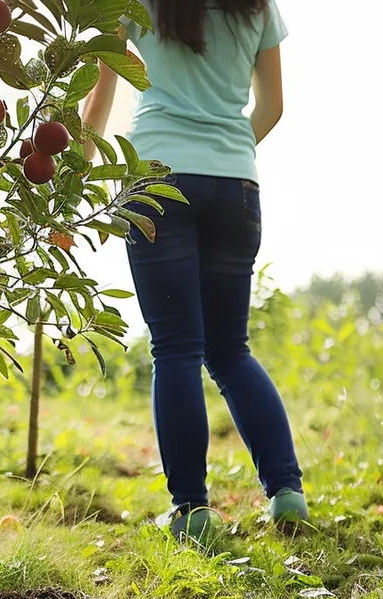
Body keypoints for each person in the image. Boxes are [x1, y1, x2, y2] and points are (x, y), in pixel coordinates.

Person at [81, 0, 308, 539]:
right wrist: (222, 154)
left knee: (177, 348)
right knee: (230, 350)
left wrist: (73, 175)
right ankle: (287, 494)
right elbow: (272, 106)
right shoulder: (258, 5)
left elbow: (102, 93)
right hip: (235, 183)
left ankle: (192, 511)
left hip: (157, 176)